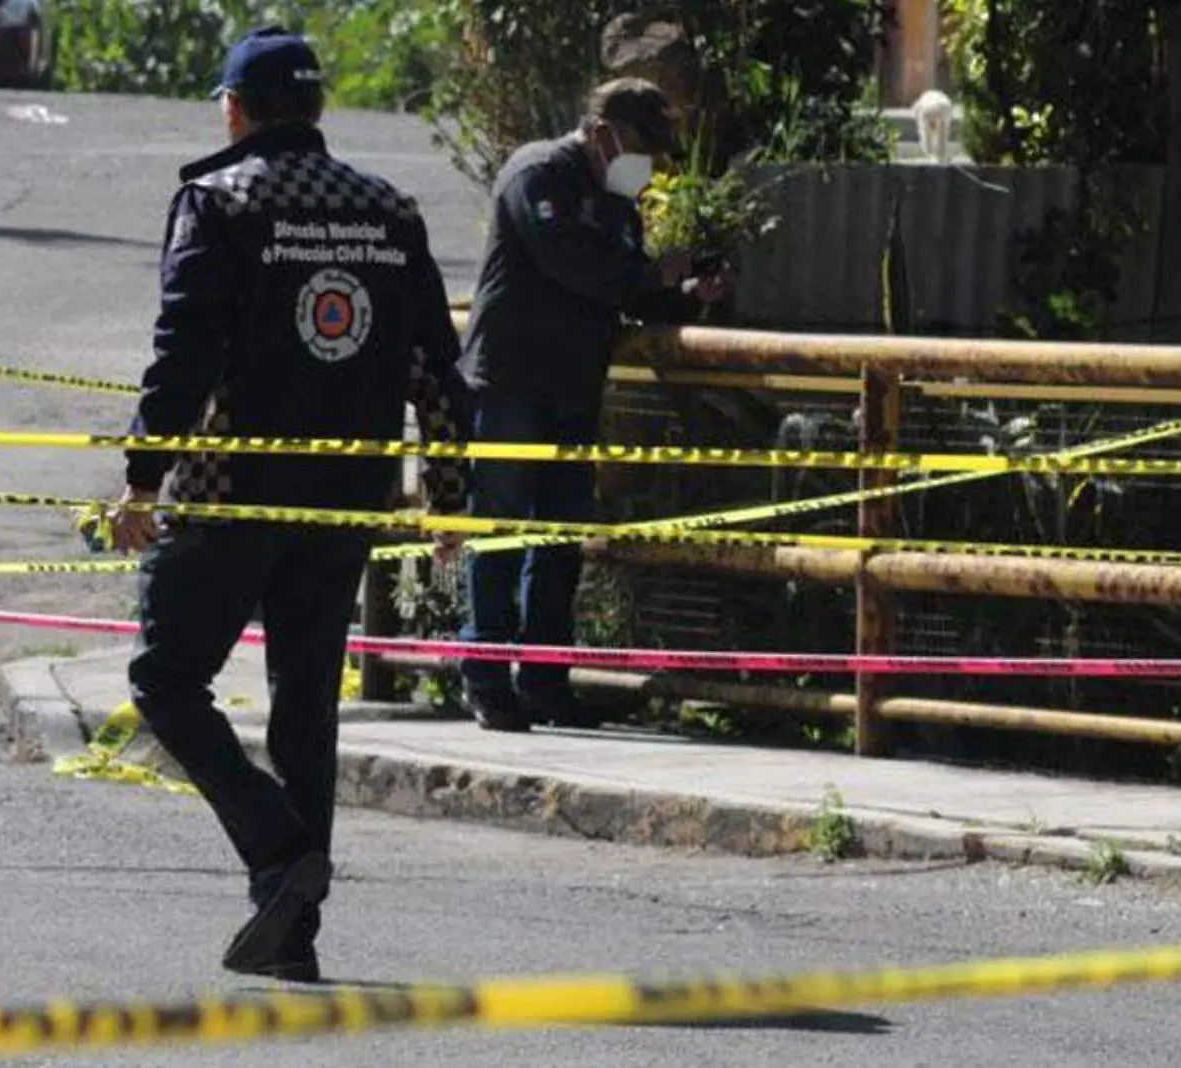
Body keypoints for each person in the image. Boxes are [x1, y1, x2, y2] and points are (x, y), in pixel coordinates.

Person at [108, 26, 472, 981]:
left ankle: (277, 852)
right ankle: (292, 929)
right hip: (349, 495)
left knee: (165, 678)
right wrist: (449, 495)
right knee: (306, 708)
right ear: (315, 111)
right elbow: (437, 366)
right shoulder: (387, 208)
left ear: (235, 108)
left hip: (233, 493)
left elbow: (183, 350)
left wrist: (143, 478)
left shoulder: (219, 200)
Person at [456, 77, 733, 733]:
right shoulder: (538, 172)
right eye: (646, 146)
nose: (653, 165)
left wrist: (690, 291)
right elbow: (572, 265)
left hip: (574, 389)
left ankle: (546, 682)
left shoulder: (617, 205)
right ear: (605, 131)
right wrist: (654, 273)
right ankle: (487, 679)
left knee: (558, 545)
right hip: (512, 384)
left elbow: (628, 290)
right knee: (497, 534)